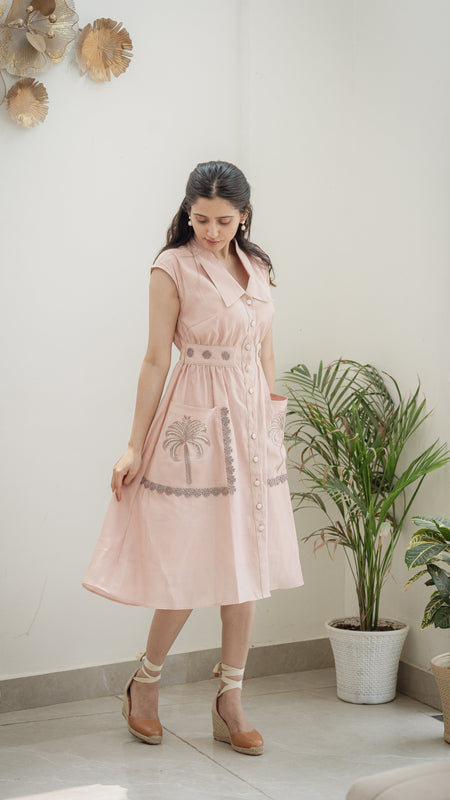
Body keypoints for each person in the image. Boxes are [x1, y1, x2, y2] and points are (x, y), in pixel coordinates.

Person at [82, 160, 303, 756]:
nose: (211, 231)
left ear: (244, 216)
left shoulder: (258, 267)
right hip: (196, 421)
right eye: (201, 219)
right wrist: (134, 443)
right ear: (188, 212)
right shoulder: (171, 267)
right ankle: (146, 681)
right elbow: (156, 358)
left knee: (248, 564)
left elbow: (265, 353)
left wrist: (271, 421)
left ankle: (230, 698)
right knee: (185, 559)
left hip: (253, 426)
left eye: (223, 221)